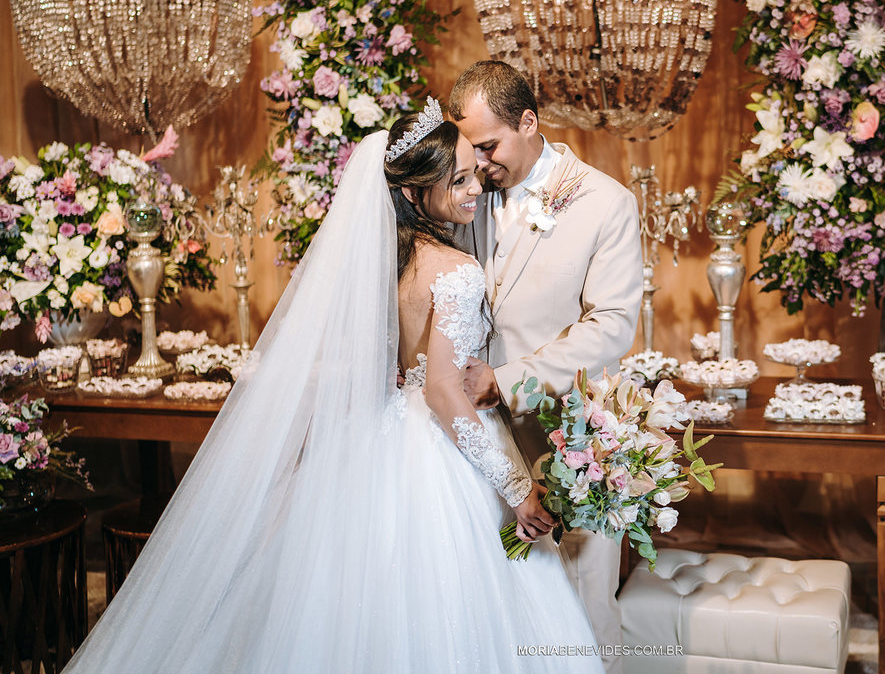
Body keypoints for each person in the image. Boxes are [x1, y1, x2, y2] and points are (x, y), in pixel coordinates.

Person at [61, 101, 602, 673]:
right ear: (415, 193)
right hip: (441, 450)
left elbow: (392, 363)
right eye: (459, 180)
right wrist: (517, 489)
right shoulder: (456, 270)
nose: (476, 190)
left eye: (474, 173)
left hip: (382, 434)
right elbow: (444, 391)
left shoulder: (385, 262)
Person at [448, 61, 642, 674]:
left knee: (583, 609)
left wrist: (506, 380)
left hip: (572, 436)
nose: (478, 164)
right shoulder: (470, 197)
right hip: (483, 441)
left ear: (529, 122)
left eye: (489, 145)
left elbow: (612, 325)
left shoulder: (605, 203)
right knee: (507, 608)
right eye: (470, 149)